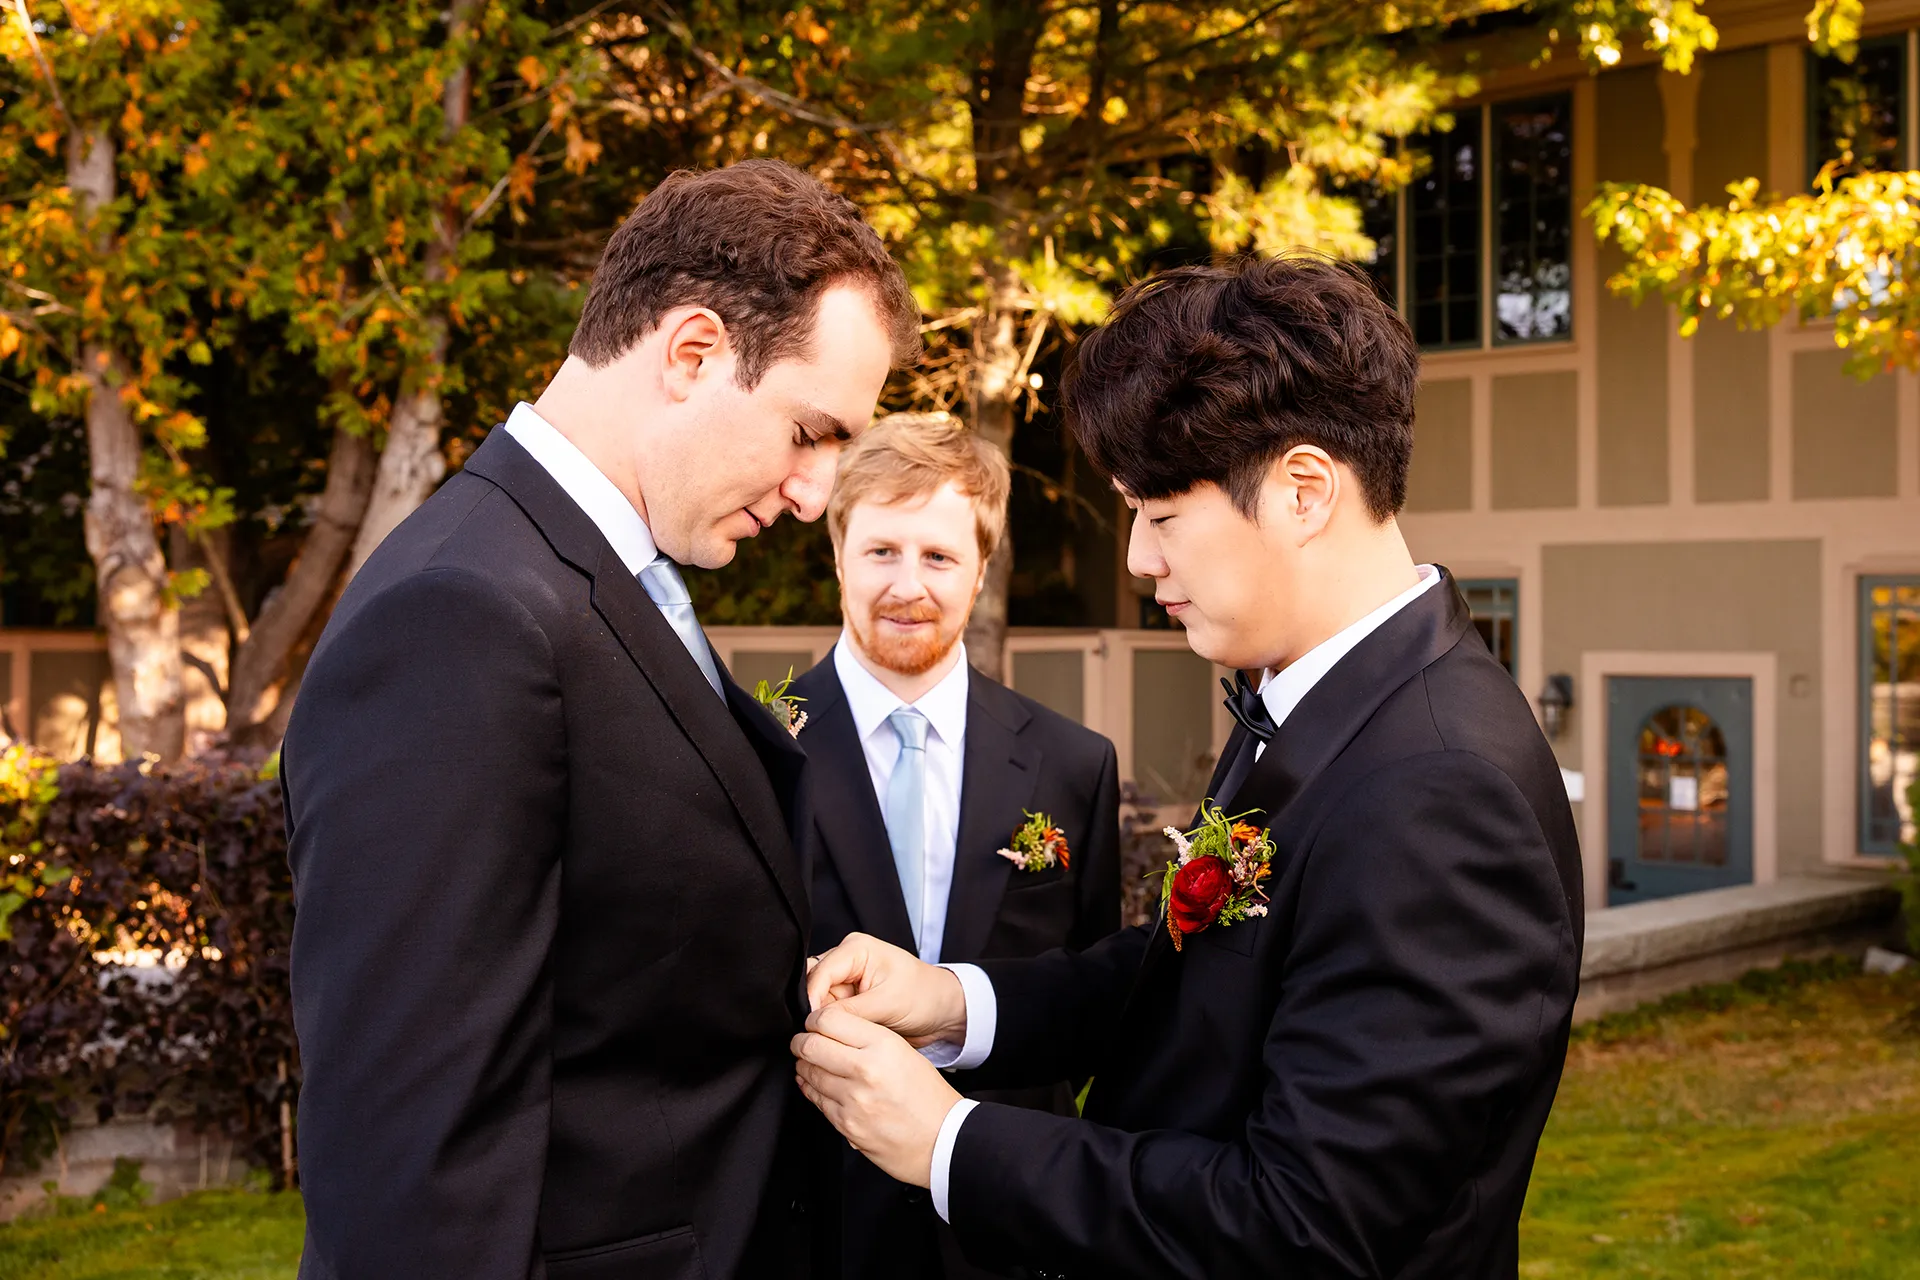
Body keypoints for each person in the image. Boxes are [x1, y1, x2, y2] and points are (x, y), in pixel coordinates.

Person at [793, 254, 1584, 1279]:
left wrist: (947, 1139)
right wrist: (952, 999)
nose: (1137, 559)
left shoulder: (1438, 787)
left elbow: (1303, 1225)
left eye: (1161, 515)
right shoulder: (1317, 705)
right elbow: (1199, 976)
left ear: (1304, 491)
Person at [282, 159, 920, 1280]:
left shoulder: (609, 578)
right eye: (810, 432)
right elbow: (410, 1156)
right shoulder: (459, 615)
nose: (816, 492)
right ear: (692, 353)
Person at [790, 415, 1122, 1279]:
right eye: (881, 552)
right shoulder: (756, 751)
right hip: (811, 1220)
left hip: (1006, 1228)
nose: (909, 585)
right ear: (837, 553)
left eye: (939, 557)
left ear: (980, 571)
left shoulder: (1075, 765)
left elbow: (1094, 1006)